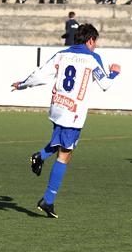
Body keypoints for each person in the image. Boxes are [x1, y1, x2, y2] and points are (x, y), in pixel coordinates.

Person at [10, 24, 122, 218]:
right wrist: (114, 72)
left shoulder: (61, 54)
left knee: (60, 141)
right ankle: (48, 200)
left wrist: (22, 84)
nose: (95, 47)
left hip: (58, 106)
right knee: (65, 154)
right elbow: (105, 84)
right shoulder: (92, 58)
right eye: (95, 42)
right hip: (73, 113)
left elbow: (40, 74)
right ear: (90, 41)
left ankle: (40, 157)